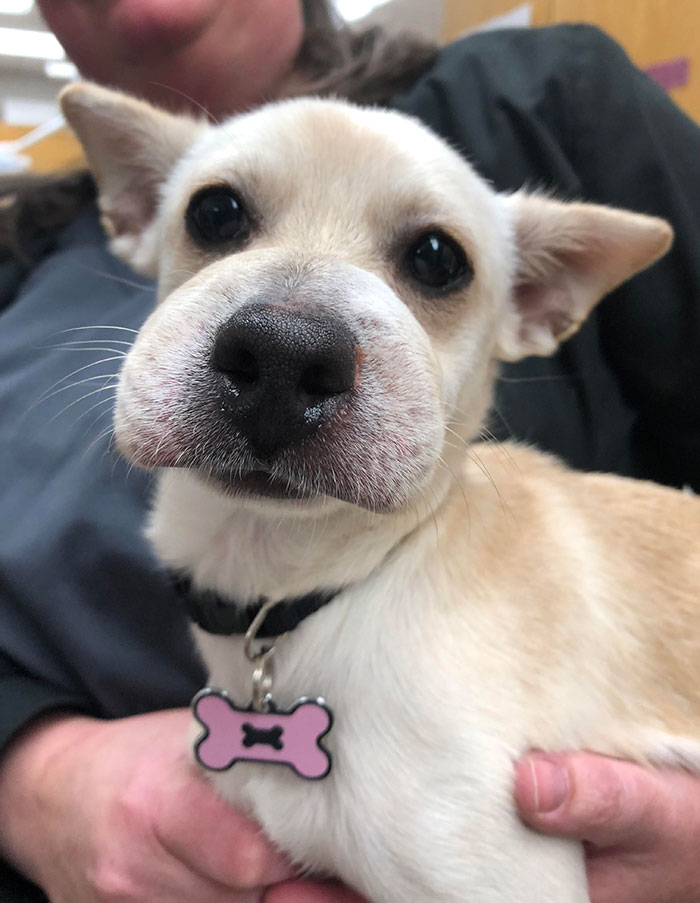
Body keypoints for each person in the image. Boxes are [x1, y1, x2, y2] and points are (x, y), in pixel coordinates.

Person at [1, 2, 700, 901]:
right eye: (220, 218)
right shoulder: (18, 256)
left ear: (532, 302)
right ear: (138, 210)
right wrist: (36, 775)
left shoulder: (546, 97)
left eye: (434, 263)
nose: (287, 344)